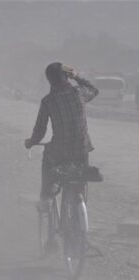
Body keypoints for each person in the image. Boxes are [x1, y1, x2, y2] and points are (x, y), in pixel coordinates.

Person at [24, 62, 99, 252]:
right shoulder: (78, 94)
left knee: (48, 168)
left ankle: (46, 200)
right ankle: (81, 230)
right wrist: (76, 75)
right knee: (80, 182)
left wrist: (31, 142)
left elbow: (40, 131)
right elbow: (94, 90)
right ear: (65, 77)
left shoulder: (48, 101)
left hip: (59, 152)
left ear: (50, 80)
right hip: (81, 150)